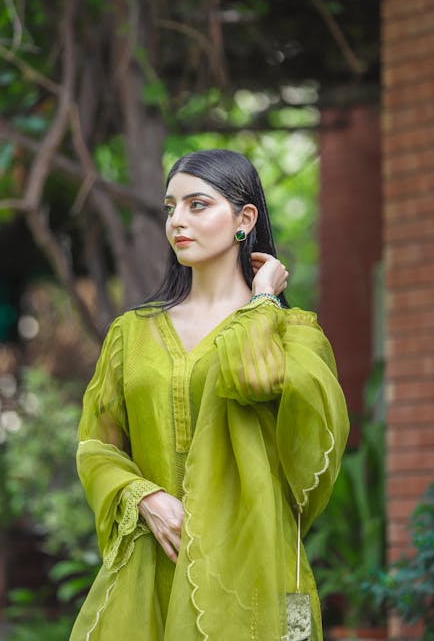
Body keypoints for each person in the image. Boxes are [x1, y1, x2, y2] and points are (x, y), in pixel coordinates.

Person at [69, 149, 349, 641]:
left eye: (197, 205)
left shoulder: (293, 332)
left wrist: (264, 299)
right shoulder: (130, 333)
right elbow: (97, 447)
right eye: (170, 207)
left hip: (264, 572)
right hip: (153, 567)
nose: (178, 220)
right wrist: (143, 496)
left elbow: (252, 376)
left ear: (245, 219)